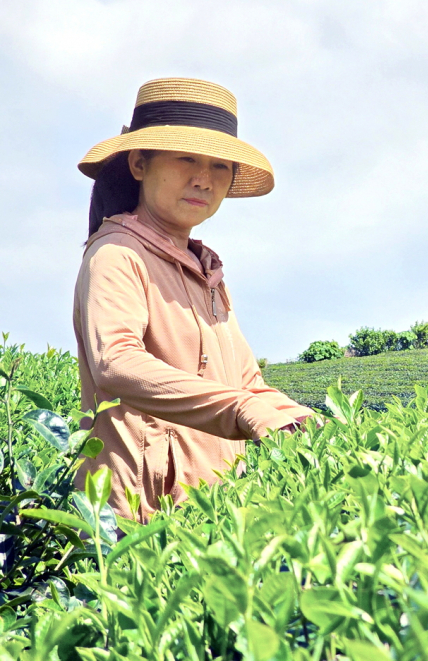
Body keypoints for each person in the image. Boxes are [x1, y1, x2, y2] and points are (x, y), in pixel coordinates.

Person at [74, 78, 314, 522]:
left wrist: (307, 424)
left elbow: (247, 381)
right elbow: (118, 363)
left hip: (212, 514)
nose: (204, 179)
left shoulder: (208, 274)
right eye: (187, 158)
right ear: (139, 164)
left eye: (220, 166)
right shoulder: (116, 254)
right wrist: (240, 410)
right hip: (138, 523)